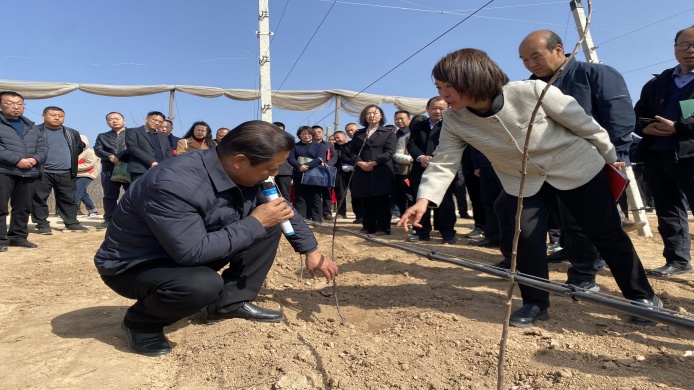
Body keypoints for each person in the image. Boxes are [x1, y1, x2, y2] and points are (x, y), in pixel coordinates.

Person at [399, 48, 660, 328]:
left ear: (472, 78)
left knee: (605, 232)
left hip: (577, 167)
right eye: (439, 88)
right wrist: (424, 199)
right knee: (525, 237)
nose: (444, 95)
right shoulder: (455, 120)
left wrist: (612, 159)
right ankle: (535, 302)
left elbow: (586, 125)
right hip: (523, 180)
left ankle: (641, 296)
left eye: (448, 87)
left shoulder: (532, 91)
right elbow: (445, 161)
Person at [94, 120, 337, 356]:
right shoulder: (173, 183)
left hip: (187, 249)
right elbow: (192, 252)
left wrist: (311, 251)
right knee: (203, 283)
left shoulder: (241, 173)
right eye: (271, 167)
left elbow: (282, 210)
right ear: (240, 161)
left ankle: (229, 303)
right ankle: (141, 323)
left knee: (271, 223)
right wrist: (256, 222)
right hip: (136, 265)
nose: (274, 174)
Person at [519, 29, 639, 291]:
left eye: (536, 56)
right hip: (552, 164)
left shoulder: (595, 74)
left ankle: (585, 275)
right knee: (563, 217)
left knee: (586, 221)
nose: (531, 64)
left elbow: (617, 115)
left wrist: (617, 154)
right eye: (524, 60)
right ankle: (576, 259)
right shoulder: (531, 87)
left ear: (559, 50)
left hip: (594, 159)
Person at [632, 25, 694, 277]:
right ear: (674, 48)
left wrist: (678, 128)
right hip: (657, 154)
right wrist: (645, 129)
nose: (689, 50)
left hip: (690, 154)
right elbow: (637, 115)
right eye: (684, 45)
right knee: (667, 209)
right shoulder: (658, 82)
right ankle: (678, 260)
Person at [406, 97, 457, 244]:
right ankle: (422, 232)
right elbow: (412, 144)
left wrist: (436, 159)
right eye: (434, 108)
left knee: (446, 202)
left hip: (443, 169)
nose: (437, 111)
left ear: (448, 108)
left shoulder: (451, 124)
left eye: (442, 108)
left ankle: (448, 233)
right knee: (420, 200)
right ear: (428, 109)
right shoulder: (418, 125)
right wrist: (420, 157)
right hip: (420, 168)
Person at [0, 91, 47, 251]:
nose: (16, 107)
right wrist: (17, 160)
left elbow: (43, 147)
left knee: (23, 206)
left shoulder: (31, 126)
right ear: (1, 104)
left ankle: (18, 237)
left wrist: (35, 159)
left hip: (29, 172)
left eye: (20, 104)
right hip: (4, 171)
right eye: (10, 103)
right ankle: (0, 240)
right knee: (1, 207)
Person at [31, 106, 88, 234]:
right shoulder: (34, 131)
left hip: (66, 171)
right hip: (42, 171)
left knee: (68, 199)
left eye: (60, 115)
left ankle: (71, 222)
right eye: (53, 115)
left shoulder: (72, 133)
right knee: (39, 199)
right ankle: (42, 224)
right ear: (43, 116)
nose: (57, 118)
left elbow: (77, 148)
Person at [350, 105, 396, 235]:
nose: (372, 115)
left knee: (381, 200)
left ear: (381, 116)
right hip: (362, 170)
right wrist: (360, 162)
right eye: (368, 113)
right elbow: (352, 152)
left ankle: (383, 227)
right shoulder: (359, 134)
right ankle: (368, 226)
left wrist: (374, 162)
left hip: (381, 170)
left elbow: (390, 152)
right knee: (367, 200)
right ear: (364, 116)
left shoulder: (388, 133)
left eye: (375, 113)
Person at [94, 112, 130, 230]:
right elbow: (98, 149)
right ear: (107, 122)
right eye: (110, 119)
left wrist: (120, 157)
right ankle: (109, 219)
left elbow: (135, 147)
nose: (114, 121)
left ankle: (131, 218)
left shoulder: (133, 133)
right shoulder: (102, 136)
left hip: (128, 167)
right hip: (109, 168)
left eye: (117, 118)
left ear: (124, 121)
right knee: (109, 195)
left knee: (131, 194)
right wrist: (110, 156)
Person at [287, 126, 328, 222]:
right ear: (299, 135)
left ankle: (317, 220)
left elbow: (320, 159)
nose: (306, 136)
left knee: (315, 197)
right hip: (298, 173)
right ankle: (301, 219)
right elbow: (290, 158)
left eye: (309, 134)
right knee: (300, 198)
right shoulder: (294, 146)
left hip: (314, 174)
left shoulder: (320, 146)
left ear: (312, 135)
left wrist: (306, 166)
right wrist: (299, 166)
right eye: (303, 134)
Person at [125, 111, 173, 182]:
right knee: (140, 192)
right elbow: (133, 148)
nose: (157, 123)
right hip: (140, 170)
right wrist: (152, 162)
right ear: (146, 119)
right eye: (154, 120)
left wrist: (163, 164)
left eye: (160, 122)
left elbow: (168, 151)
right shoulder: (133, 131)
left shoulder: (163, 136)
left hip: (160, 170)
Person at [391, 111, 412, 223]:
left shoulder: (414, 133)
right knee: (400, 195)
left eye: (401, 118)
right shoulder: (395, 135)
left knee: (410, 196)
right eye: (396, 119)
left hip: (411, 169)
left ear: (409, 119)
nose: (399, 121)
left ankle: (411, 218)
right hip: (397, 170)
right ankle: (404, 217)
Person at [312, 125, 336, 221]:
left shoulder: (329, 144)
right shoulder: (309, 145)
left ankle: (327, 213)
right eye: (315, 132)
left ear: (323, 133)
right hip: (313, 170)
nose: (317, 133)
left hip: (326, 171)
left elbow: (334, 156)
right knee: (314, 193)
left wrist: (328, 164)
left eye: (319, 132)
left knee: (327, 192)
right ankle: (314, 213)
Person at [75, 135, 100, 217]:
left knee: (77, 191)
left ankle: (73, 211)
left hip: (87, 174)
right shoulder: (74, 152)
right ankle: (93, 211)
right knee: (82, 193)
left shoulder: (90, 152)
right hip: (76, 174)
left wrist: (74, 168)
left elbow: (90, 164)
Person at [344, 123, 364, 224]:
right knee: (355, 194)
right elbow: (347, 157)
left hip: (370, 169)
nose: (350, 132)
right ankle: (359, 215)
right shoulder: (348, 145)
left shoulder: (366, 141)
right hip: (354, 172)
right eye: (348, 131)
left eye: (353, 130)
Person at [332, 130, 353, 219]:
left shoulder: (352, 145)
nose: (337, 139)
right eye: (335, 138)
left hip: (353, 171)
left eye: (338, 137)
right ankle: (341, 213)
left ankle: (360, 214)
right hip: (339, 172)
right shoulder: (334, 147)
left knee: (355, 193)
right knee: (340, 193)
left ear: (345, 137)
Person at [272, 122, 293, 202]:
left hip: (283, 171)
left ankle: (286, 210)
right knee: (275, 194)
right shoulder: (267, 140)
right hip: (271, 169)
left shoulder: (288, 141)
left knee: (284, 194)